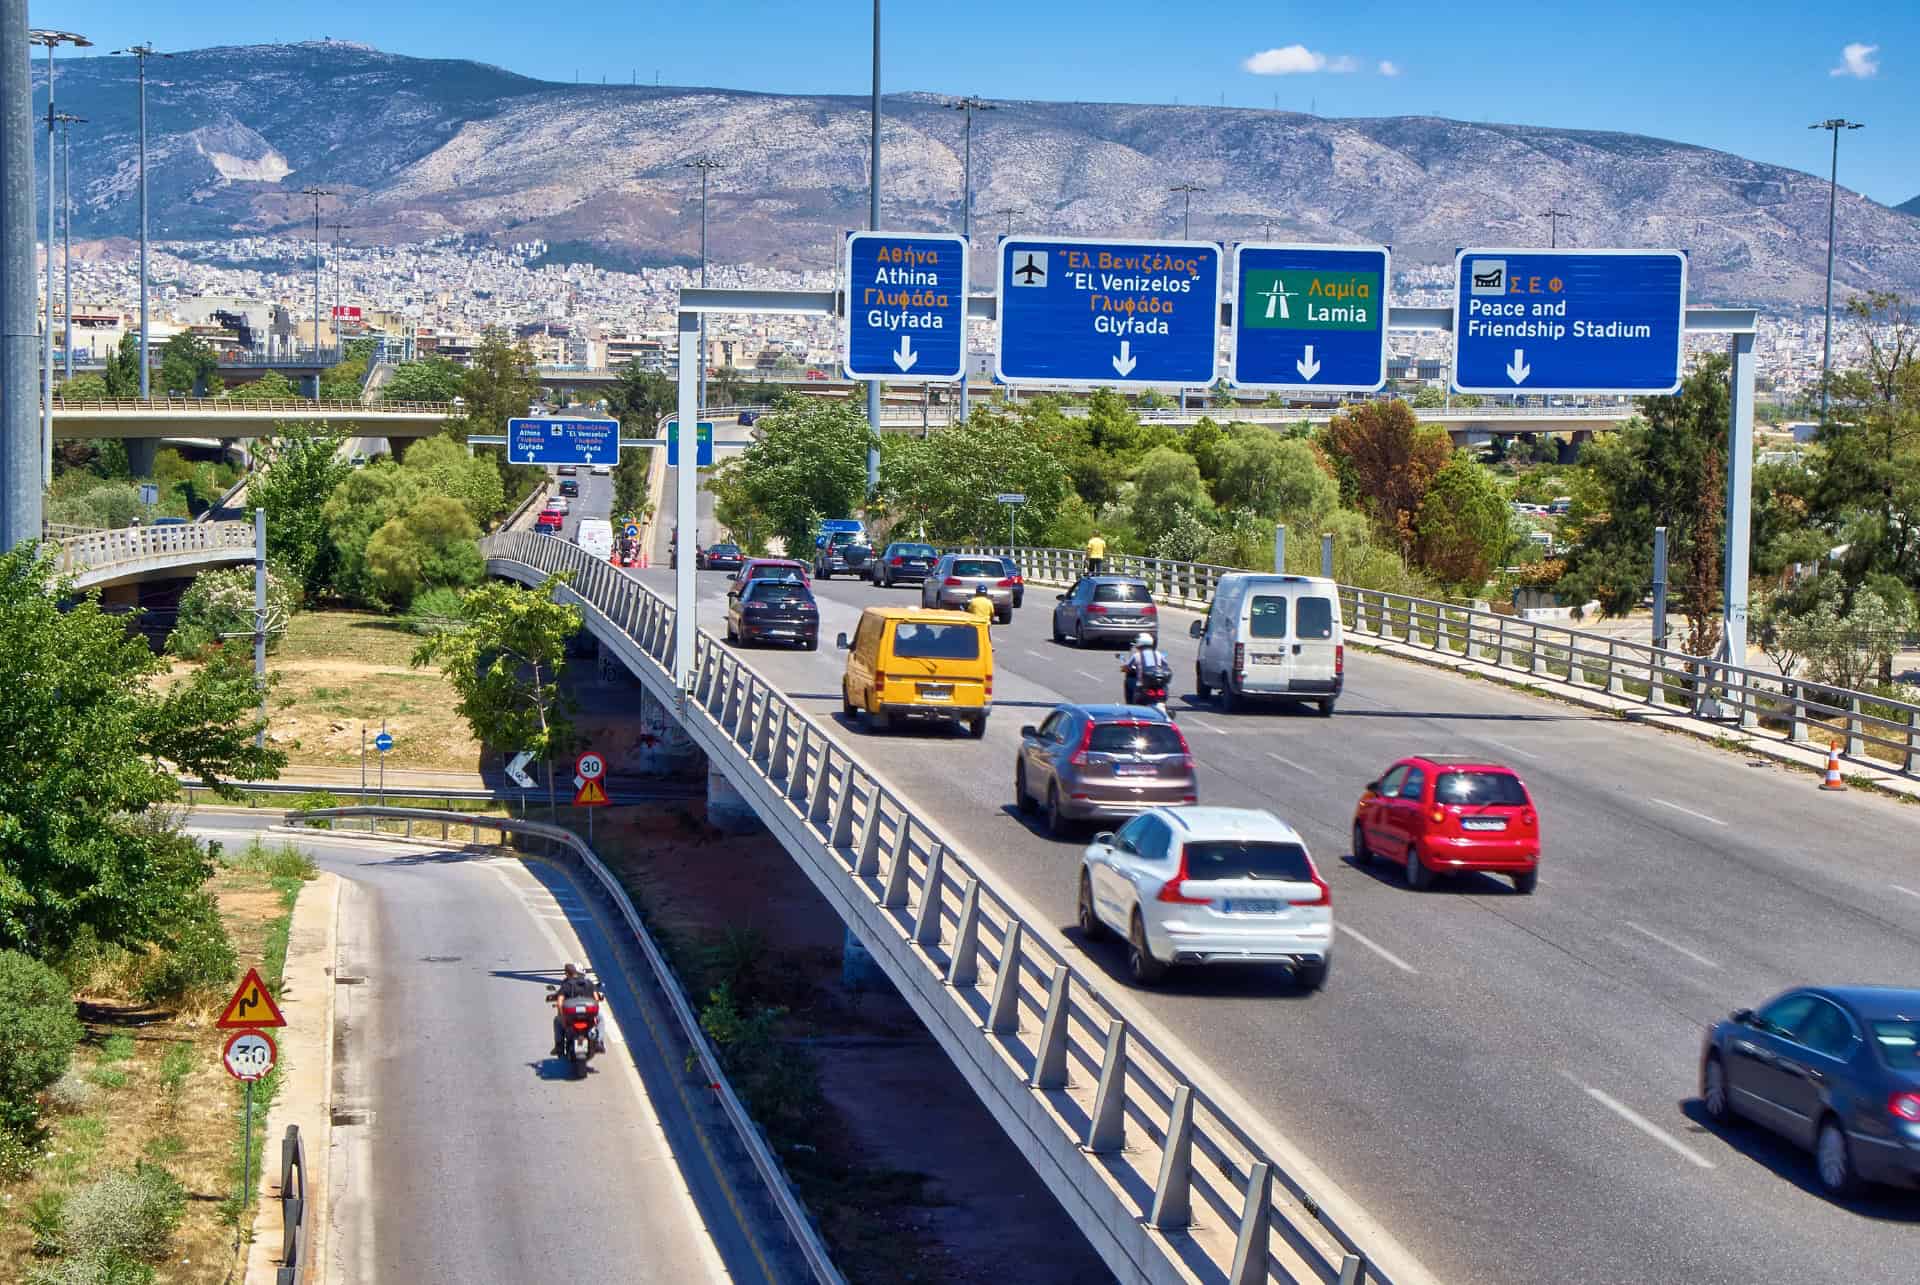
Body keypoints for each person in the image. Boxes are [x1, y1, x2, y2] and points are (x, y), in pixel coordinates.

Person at [549, 962, 605, 1056]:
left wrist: (562, 1017)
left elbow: (559, 1002)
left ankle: (559, 1046)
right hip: (588, 1015)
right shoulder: (588, 983)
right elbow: (596, 999)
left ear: (567, 973)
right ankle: (599, 1042)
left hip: (572, 1016)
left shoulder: (566, 984)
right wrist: (594, 1014)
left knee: (557, 1021)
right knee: (601, 1018)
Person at [1121, 631, 1170, 706]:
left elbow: (1127, 667)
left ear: (1139, 643)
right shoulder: (1158, 654)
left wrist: (1123, 669)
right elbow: (1165, 666)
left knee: (1129, 682)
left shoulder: (1137, 655)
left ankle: (1131, 706)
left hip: (1142, 685)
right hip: (1159, 685)